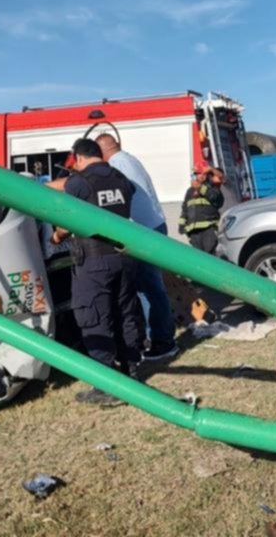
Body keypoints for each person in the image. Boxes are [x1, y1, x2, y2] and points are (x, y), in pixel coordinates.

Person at [60, 138, 144, 406]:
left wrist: (56, 236)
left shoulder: (78, 183)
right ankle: (131, 373)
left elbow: (65, 219)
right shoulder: (121, 178)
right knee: (125, 313)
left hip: (93, 260)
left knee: (93, 316)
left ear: (78, 158)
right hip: (124, 256)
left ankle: (107, 385)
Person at [96, 133, 179, 361]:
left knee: (150, 288)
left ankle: (163, 342)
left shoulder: (117, 164)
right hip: (153, 225)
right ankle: (156, 337)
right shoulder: (129, 159)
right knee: (148, 286)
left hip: (143, 231)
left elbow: (119, 197)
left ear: (103, 150)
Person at [179, 166, 225, 254]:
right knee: (198, 258)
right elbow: (185, 208)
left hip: (208, 229)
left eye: (200, 173)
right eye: (196, 174)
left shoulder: (213, 188)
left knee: (209, 256)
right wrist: (182, 225)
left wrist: (200, 188)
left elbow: (214, 197)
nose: (198, 176)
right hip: (193, 232)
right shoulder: (190, 191)